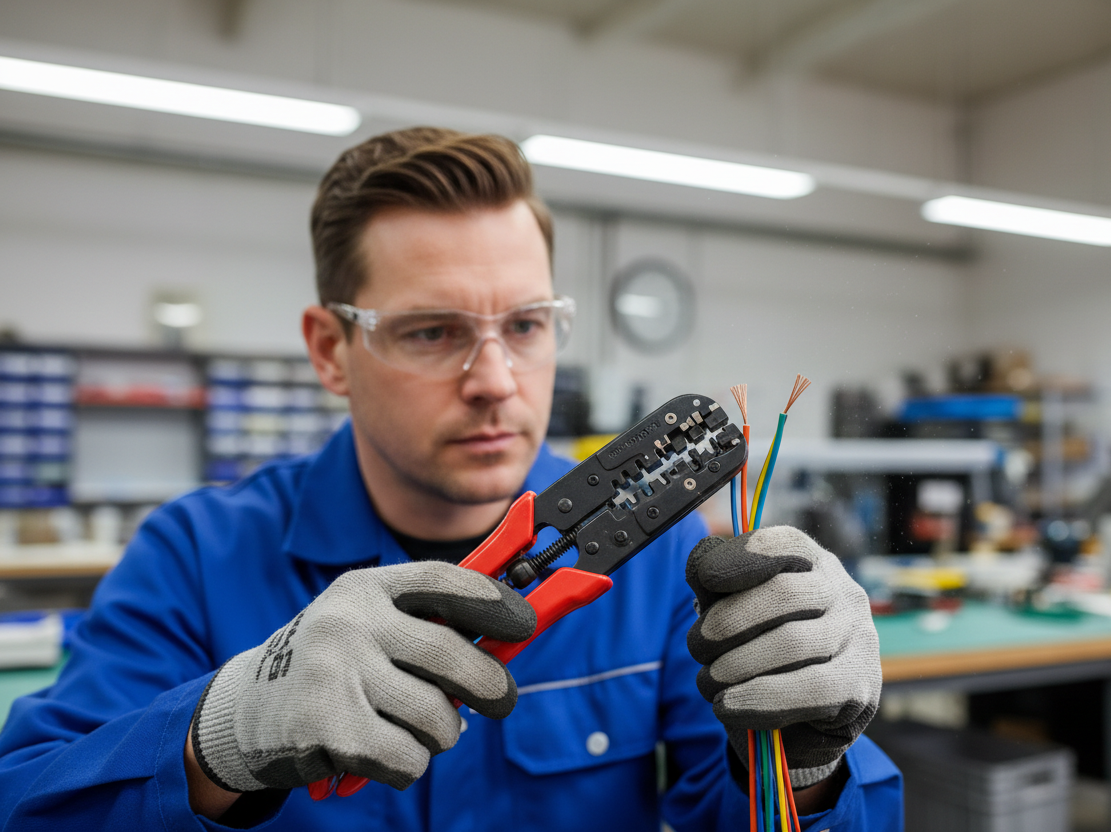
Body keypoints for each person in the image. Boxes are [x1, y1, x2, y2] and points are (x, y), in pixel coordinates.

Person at [0, 127, 901, 831]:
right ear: (330, 349)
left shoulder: (663, 559)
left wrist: (807, 771)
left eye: (527, 325)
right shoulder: (196, 555)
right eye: (432, 331)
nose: (495, 380)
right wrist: (218, 737)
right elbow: (24, 801)